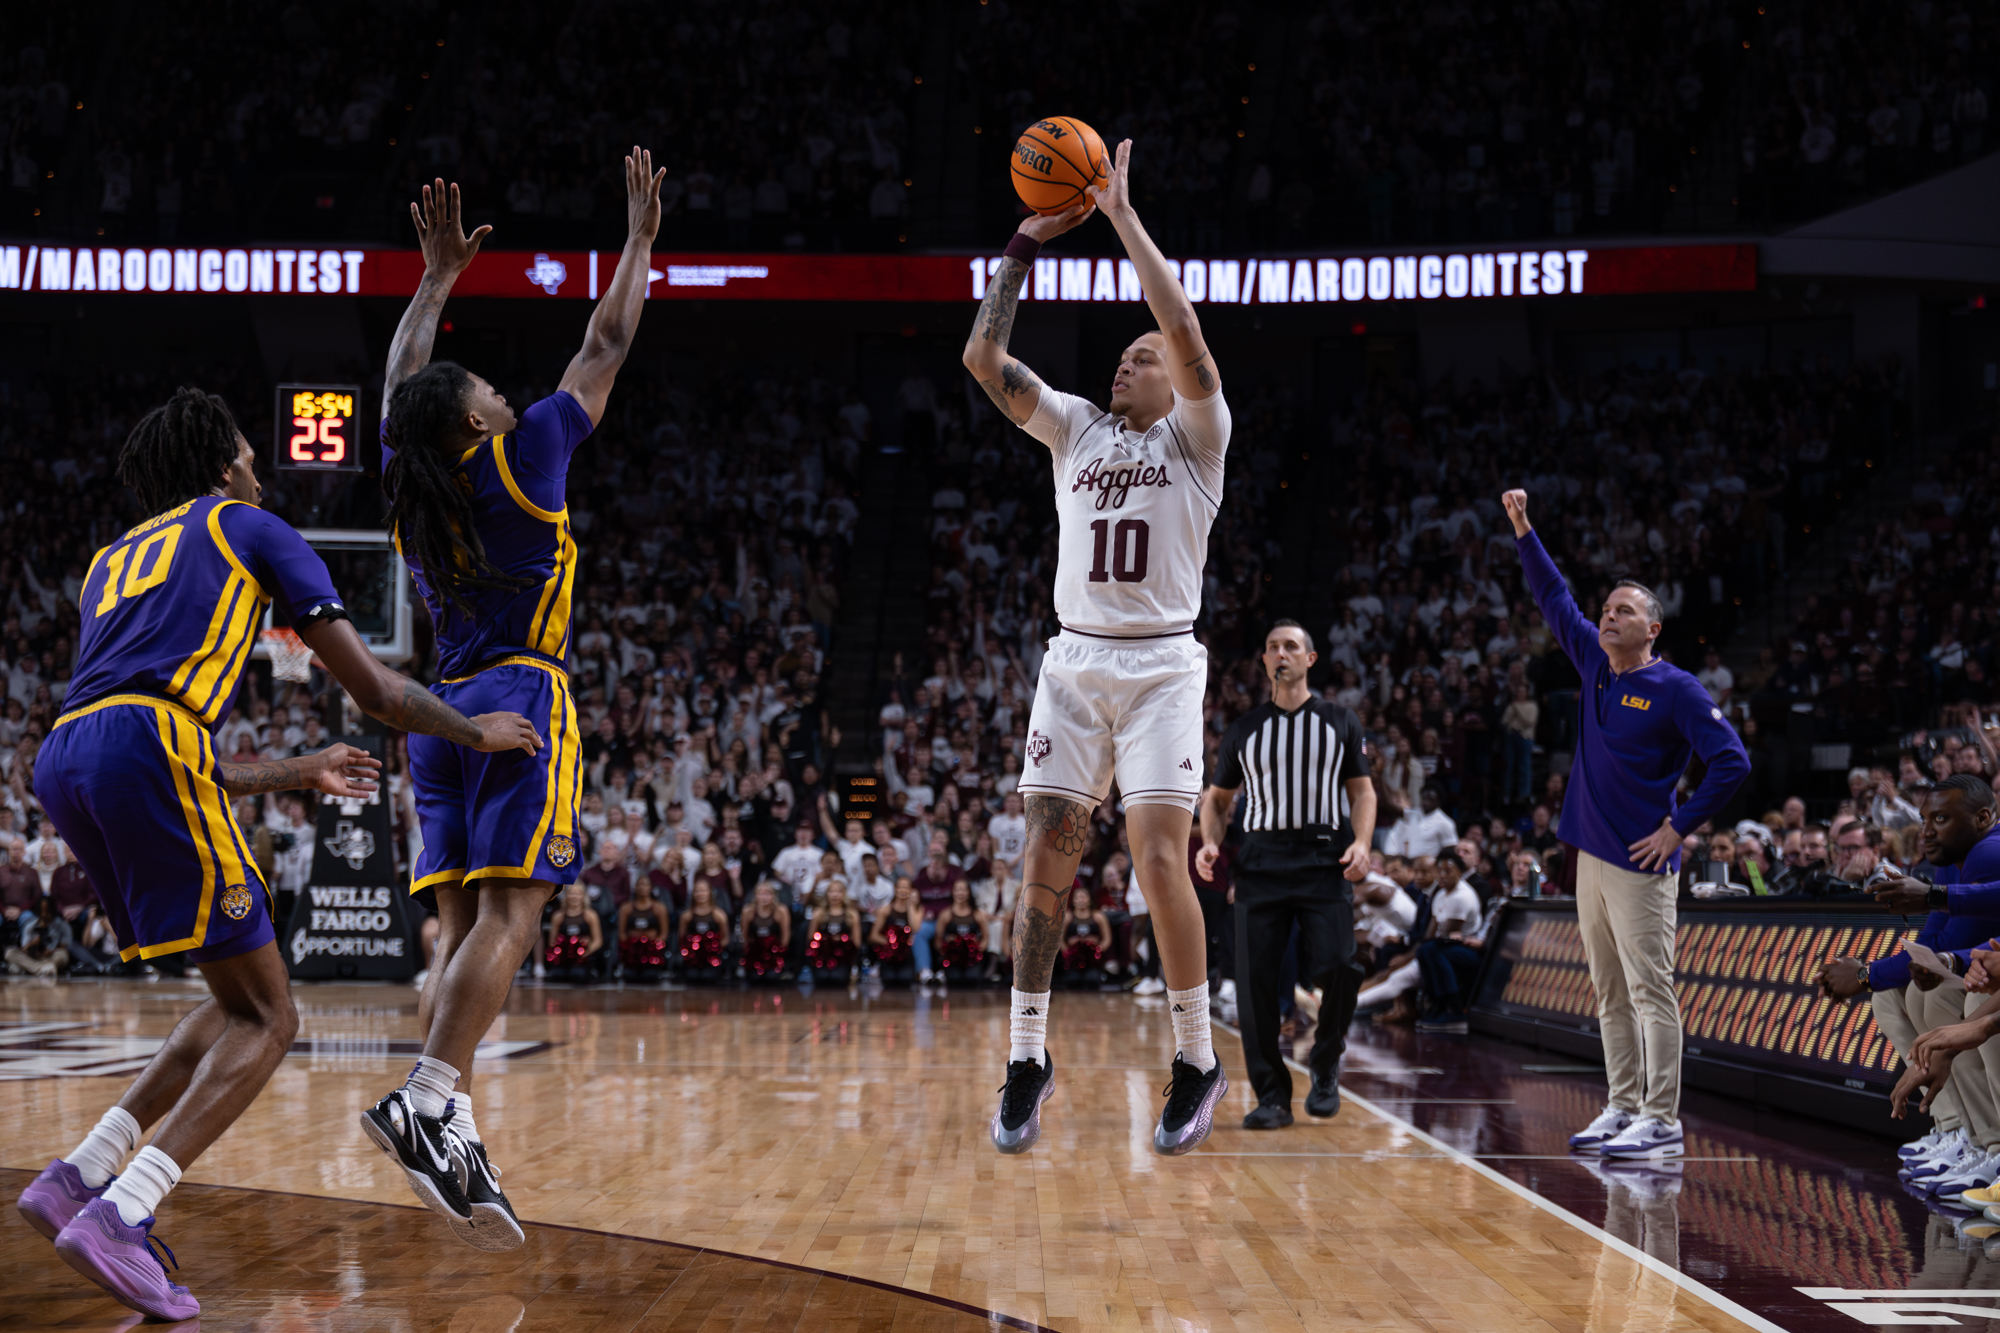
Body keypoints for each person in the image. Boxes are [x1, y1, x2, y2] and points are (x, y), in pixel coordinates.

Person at [15, 389, 536, 1321]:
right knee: (272, 1017)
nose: (259, 466)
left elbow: (170, 740)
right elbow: (376, 689)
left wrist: (300, 767)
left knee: (230, 1000)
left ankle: (79, 1175)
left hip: (66, 757)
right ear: (224, 467)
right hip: (149, 744)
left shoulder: (112, 560)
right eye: (250, 454)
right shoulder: (247, 522)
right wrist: (474, 728)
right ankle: (122, 1214)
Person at [364, 152, 664, 1254]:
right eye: (486, 390)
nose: (499, 389)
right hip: (521, 699)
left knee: (461, 922)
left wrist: (435, 282)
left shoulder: (413, 480)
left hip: (440, 715)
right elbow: (604, 343)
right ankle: (429, 1093)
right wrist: (637, 240)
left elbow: (405, 380)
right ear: (477, 425)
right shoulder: (522, 455)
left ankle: (454, 1120)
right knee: (509, 917)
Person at [964, 138, 1233, 1156]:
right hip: (1074, 662)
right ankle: (1026, 1051)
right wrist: (1022, 248)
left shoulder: (1197, 438)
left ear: (1175, 380)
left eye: (1141, 356)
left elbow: (1183, 326)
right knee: (1046, 856)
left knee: (1156, 859)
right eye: (1120, 354)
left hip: (1163, 662)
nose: (1125, 359)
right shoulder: (1076, 428)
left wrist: (1118, 214)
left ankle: (1195, 1056)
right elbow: (982, 362)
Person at [1501, 488, 1749, 1161]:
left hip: (1643, 860)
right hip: (1589, 854)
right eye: (1607, 609)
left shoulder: (1678, 688)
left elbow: (1733, 761)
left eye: (1625, 611)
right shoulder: (1592, 664)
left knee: (1650, 989)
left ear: (1653, 629)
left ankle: (1661, 1118)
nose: (1608, 617)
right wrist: (1524, 528)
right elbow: (1554, 597)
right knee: (1609, 990)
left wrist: (1680, 827)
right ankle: (1621, 1104)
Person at [1198, 621, 1375, 1128]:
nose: (1281, 653)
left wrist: (1362, 843)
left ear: (1310, 659)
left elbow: (1362, 793)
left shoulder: (1341, 721)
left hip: (1325, 858)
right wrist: (1211, 842)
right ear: (1264, 660)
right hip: (1261, 861)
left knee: (1341, 965)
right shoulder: (1244, 728)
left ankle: (1325, 1061)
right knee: (1254, 986)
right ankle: (1272, 1095)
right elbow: (1218, 800)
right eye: (1273, 646)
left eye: (1291, 646)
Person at [1828, 776, 2000, 1186]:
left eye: (1940, 818)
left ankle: (1991, 1143)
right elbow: (1935, 938)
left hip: (1983, 977)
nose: (1926, 831)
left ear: (1982, 818)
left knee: (1953, 1001)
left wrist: (1868, 974)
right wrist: (1900, 968)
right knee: (1890, 997)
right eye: (1924, 819)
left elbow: (1955, 936)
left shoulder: (1988, 852)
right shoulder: (1952, 854)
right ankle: (1957, 1129)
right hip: (1980, 966)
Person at [804, 877, 860, 980]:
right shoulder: (818, 913)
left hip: (843, 959)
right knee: (822, 978)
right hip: (822, 959)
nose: (835, 895)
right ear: (827, 894)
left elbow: (857, 942)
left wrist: (843, 942)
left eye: (838, 891)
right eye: (831, 891)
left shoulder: (852, 914)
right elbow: (810, 938)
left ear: (844, 894)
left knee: (838, 978)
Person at [543, 884, 602, 982]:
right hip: (563, 958)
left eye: (578, 894)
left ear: (583, 896)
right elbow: (552, 942)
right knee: (557, 976)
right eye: (571, 893)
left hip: (583, 958)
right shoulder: (558, 916)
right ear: (566, 895)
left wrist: (585, 952)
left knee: (577, 975)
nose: (574, 896)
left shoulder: (590, 915)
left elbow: (598, 941)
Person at [616, 874, 670, 981]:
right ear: (635, 888)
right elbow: (621, 933)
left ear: (651, 888)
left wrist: (654, 947)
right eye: (639, 884)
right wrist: (628, 948)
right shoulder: (626, 908)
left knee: (649, 977)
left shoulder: (659, 908)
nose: (642, 887)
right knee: (629, 976)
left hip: (651, 952)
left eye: (645, 885)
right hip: (632, 952)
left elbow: (664, 933)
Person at [869, 878, 922, 985]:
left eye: (906, 887)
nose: (903, 890)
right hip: (889, 954)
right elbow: (873, 935)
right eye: (900, 887)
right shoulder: (886, 909)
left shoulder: (917, 909)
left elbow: (915, 928)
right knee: (889, 980)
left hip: (907, 953)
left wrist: (910, 905)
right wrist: (890, 944)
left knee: (905, 980)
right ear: (895, 889)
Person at [935, 878, 988, 982]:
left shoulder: (978, 914)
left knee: (972, 979)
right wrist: (947, 948)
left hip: (972, 960)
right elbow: (937, 941)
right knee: (954, 980)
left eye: (964, 890)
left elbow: (986, 938)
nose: (961, 893)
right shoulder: (946, 914)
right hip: (952, 960)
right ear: (953, 892)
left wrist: (977, 950)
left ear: (969, 892)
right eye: (957, 890)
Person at [678, 877, 731, 978]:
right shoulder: (686, 916)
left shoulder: (719, 915)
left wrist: (713, 948)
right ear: (693, 894)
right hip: (692, 959)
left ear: (710, 892)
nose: (700, 894)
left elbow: (726, 938)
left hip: (712, 959)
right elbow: (681, 937)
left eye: (703, 890)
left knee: (708, 976)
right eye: (697, 891)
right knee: (692, 976)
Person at [739, 880, 791, 980]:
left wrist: (780, 955)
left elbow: (786, 936)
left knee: (772, 977)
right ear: (755, 896)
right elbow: (744, 935)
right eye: (761, 894)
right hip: (755, 955)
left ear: (773, 896)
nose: (764, 897)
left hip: (774, 955)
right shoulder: (748, 911)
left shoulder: (781, 910)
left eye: (767, 894)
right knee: (754, 978)